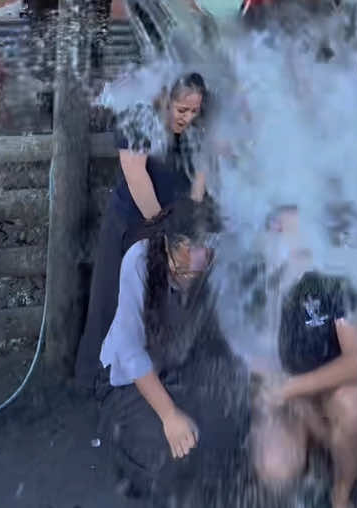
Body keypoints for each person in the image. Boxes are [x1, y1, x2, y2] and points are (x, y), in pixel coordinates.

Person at [98, 199, 247, 506]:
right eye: (189, 249)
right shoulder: (138, 261)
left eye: (205, 247)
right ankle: (142, 473)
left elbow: (229, 336)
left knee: (225, 437)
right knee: (172, 453)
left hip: (181, 371)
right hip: (129, 383)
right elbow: (129, 351)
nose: (199, 258)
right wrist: (169, 415)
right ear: (169, 243)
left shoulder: (213, 264)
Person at [75, 73, 209, 387]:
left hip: (173, 222)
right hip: (134, 222)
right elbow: (136, 175)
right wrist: (162, 230)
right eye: (181, 110)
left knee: (163, 303)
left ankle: (158, 377)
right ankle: (102, 379)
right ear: (165, 99)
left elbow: (201, 172)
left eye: (194, 112)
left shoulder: (199, 129)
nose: (187, 118)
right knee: (117, 300)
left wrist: (188, 222)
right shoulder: (138, 116)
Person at [251, 207, 357, 508]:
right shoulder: (256, 289)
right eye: (278, 231)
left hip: (330, 390)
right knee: (275, 468)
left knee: (352, 405)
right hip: (286, 400)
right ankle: (312, 461)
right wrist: (289, 398)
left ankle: (342, 491)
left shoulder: (333, 283)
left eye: (293, 232)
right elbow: (255, 369)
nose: (287, 241)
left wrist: (293, 388)